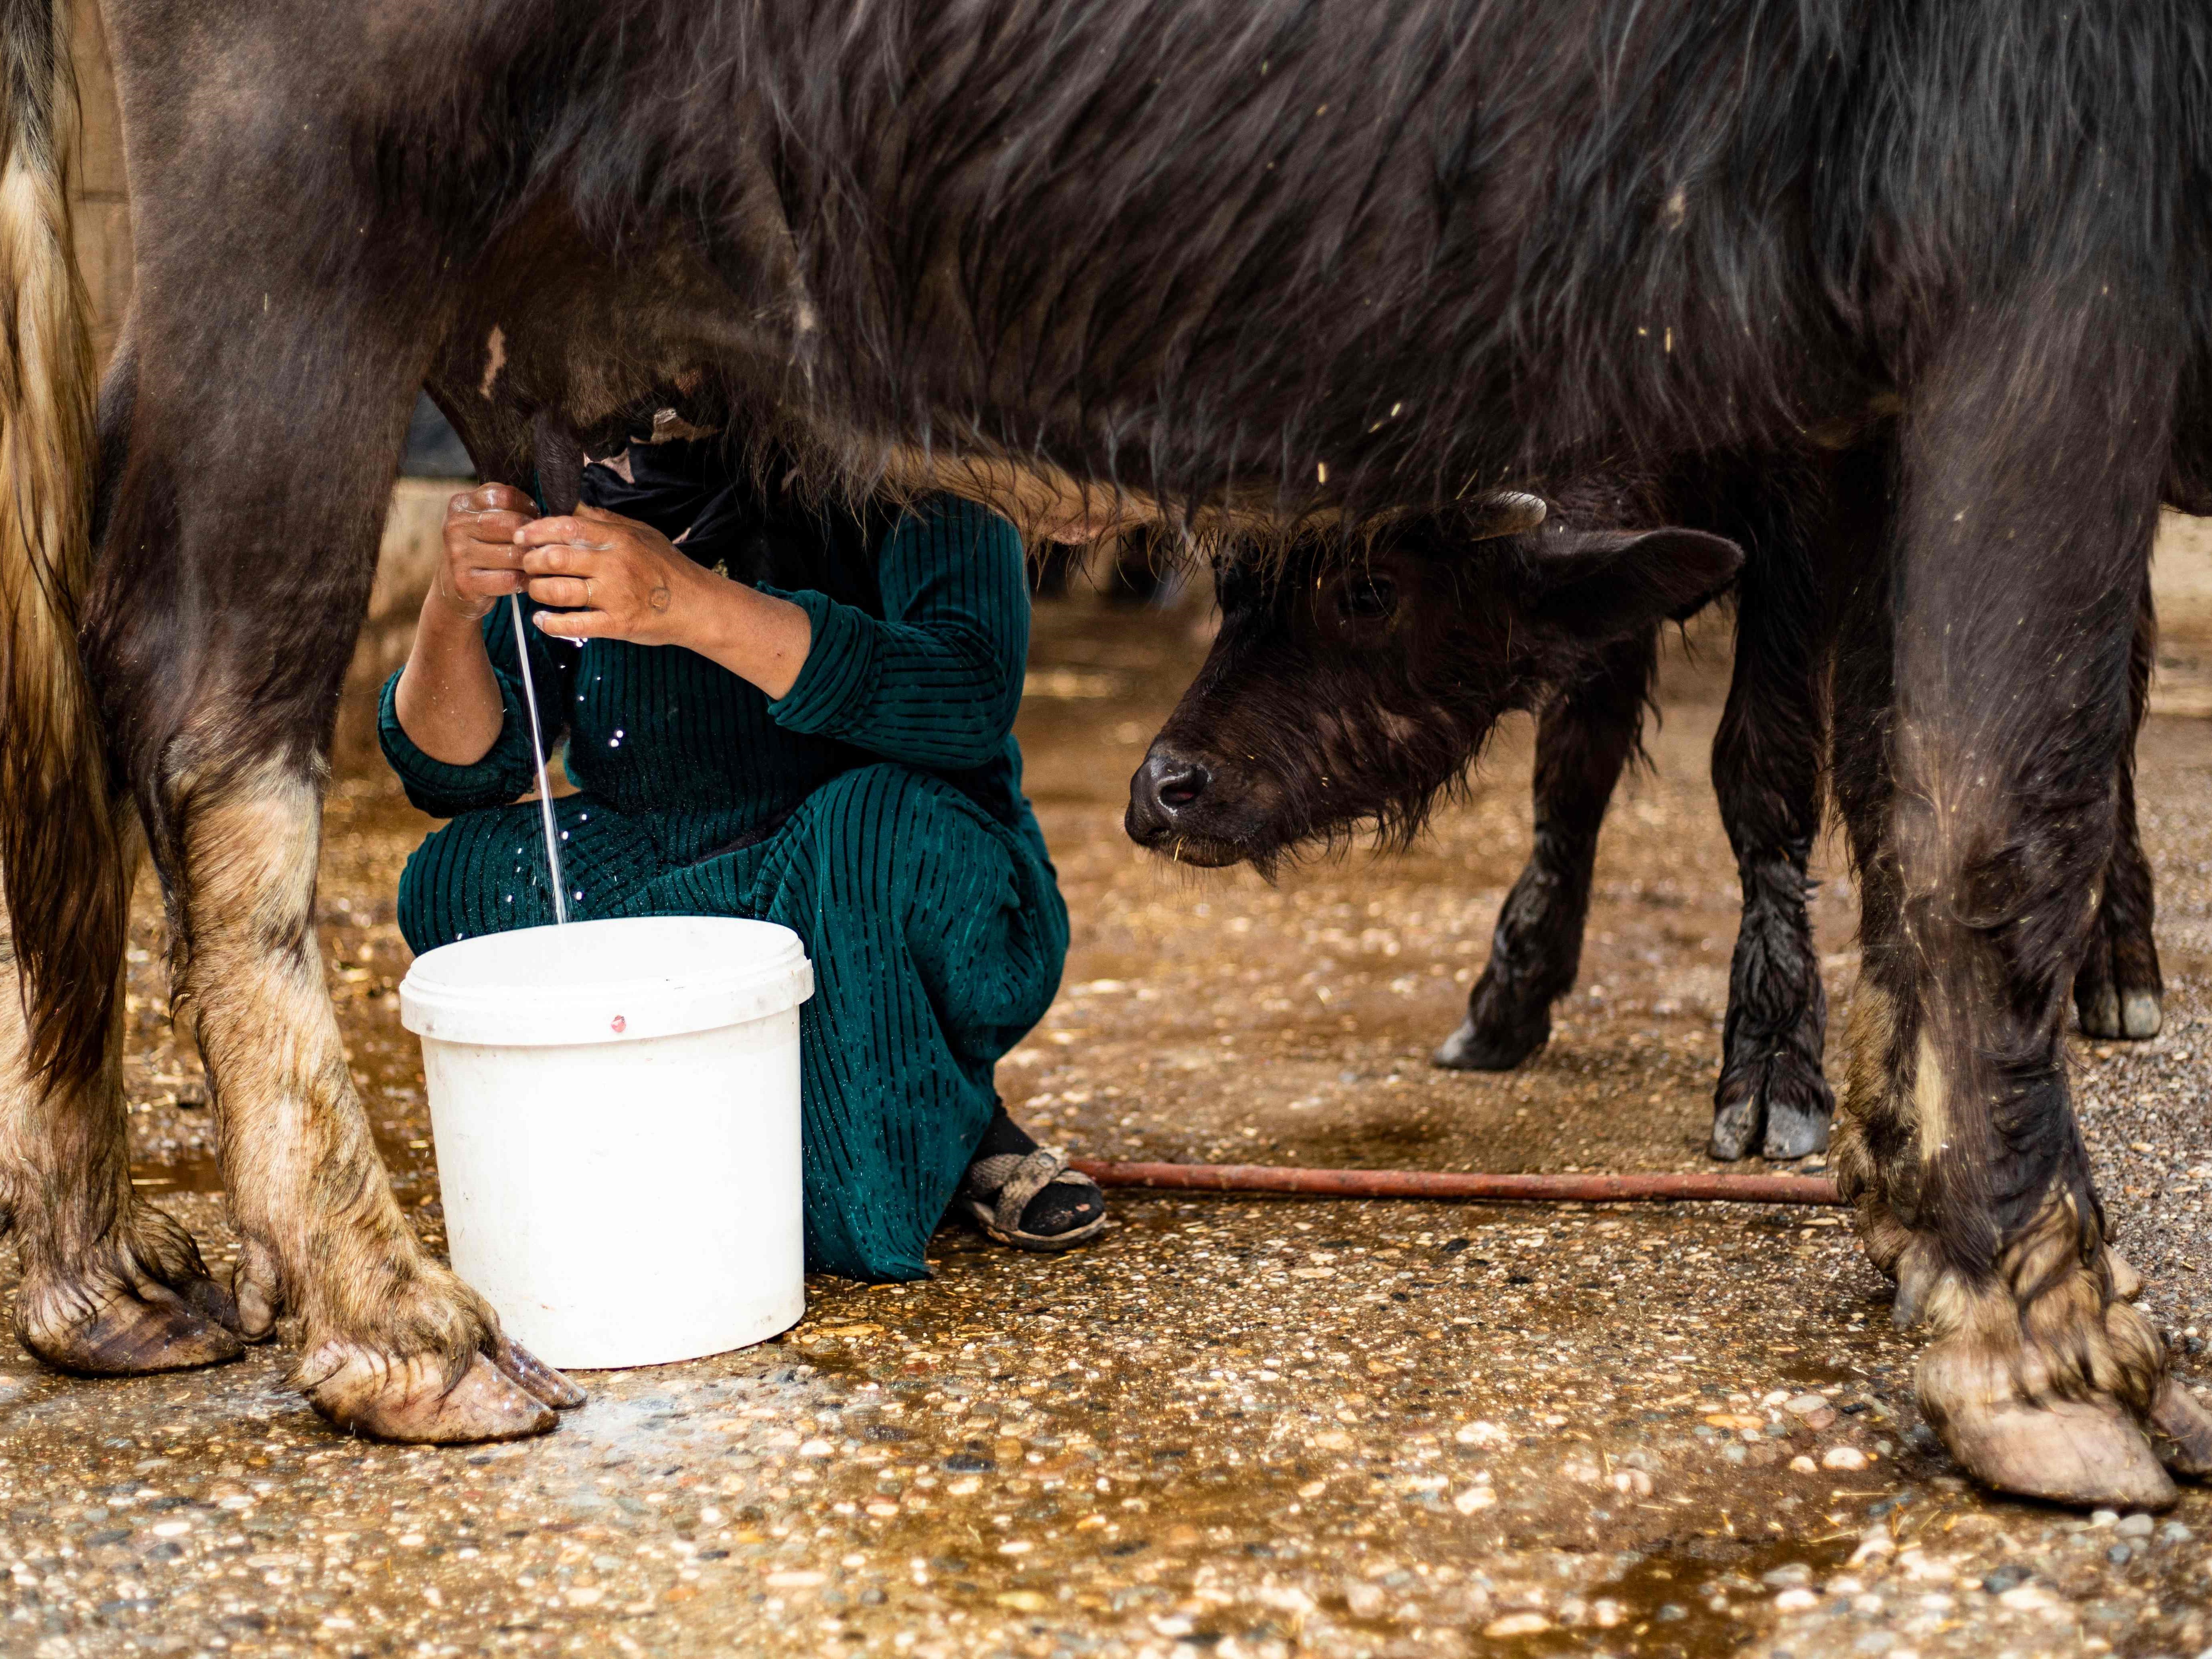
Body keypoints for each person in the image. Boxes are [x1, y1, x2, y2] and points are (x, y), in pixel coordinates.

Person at [380, 441, 1105, 1278]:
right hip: (685, 883)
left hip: (878, 877)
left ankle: (939, 1109)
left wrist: (684, 602)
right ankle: (740, 1120)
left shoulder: (913, 449)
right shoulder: (584, 483)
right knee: (457, 887)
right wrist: (453, 604)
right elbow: (463, 768)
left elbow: (967, 695)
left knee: (865, 830)